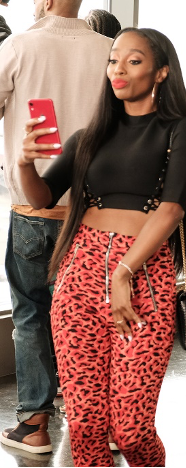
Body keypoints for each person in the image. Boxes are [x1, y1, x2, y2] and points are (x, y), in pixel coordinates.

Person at [13, 28, 186, 467]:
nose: (119, 69)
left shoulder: (182, 131)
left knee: (131, 431)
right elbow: (42, 198)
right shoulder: (89, 137)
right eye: (113, 60)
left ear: (161, 72)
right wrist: (25, 163)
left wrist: (124, 271)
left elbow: (172, 209)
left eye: (133, 61)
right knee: (84, 427)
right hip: (79, 276)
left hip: (144, 277)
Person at [0, 0, 112, 455]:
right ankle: (105, 424)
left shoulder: (18, 47)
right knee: (96, 317)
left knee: (31, 314)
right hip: (94, 212)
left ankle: (35, 425)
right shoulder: (110, 50)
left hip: (34, 207)